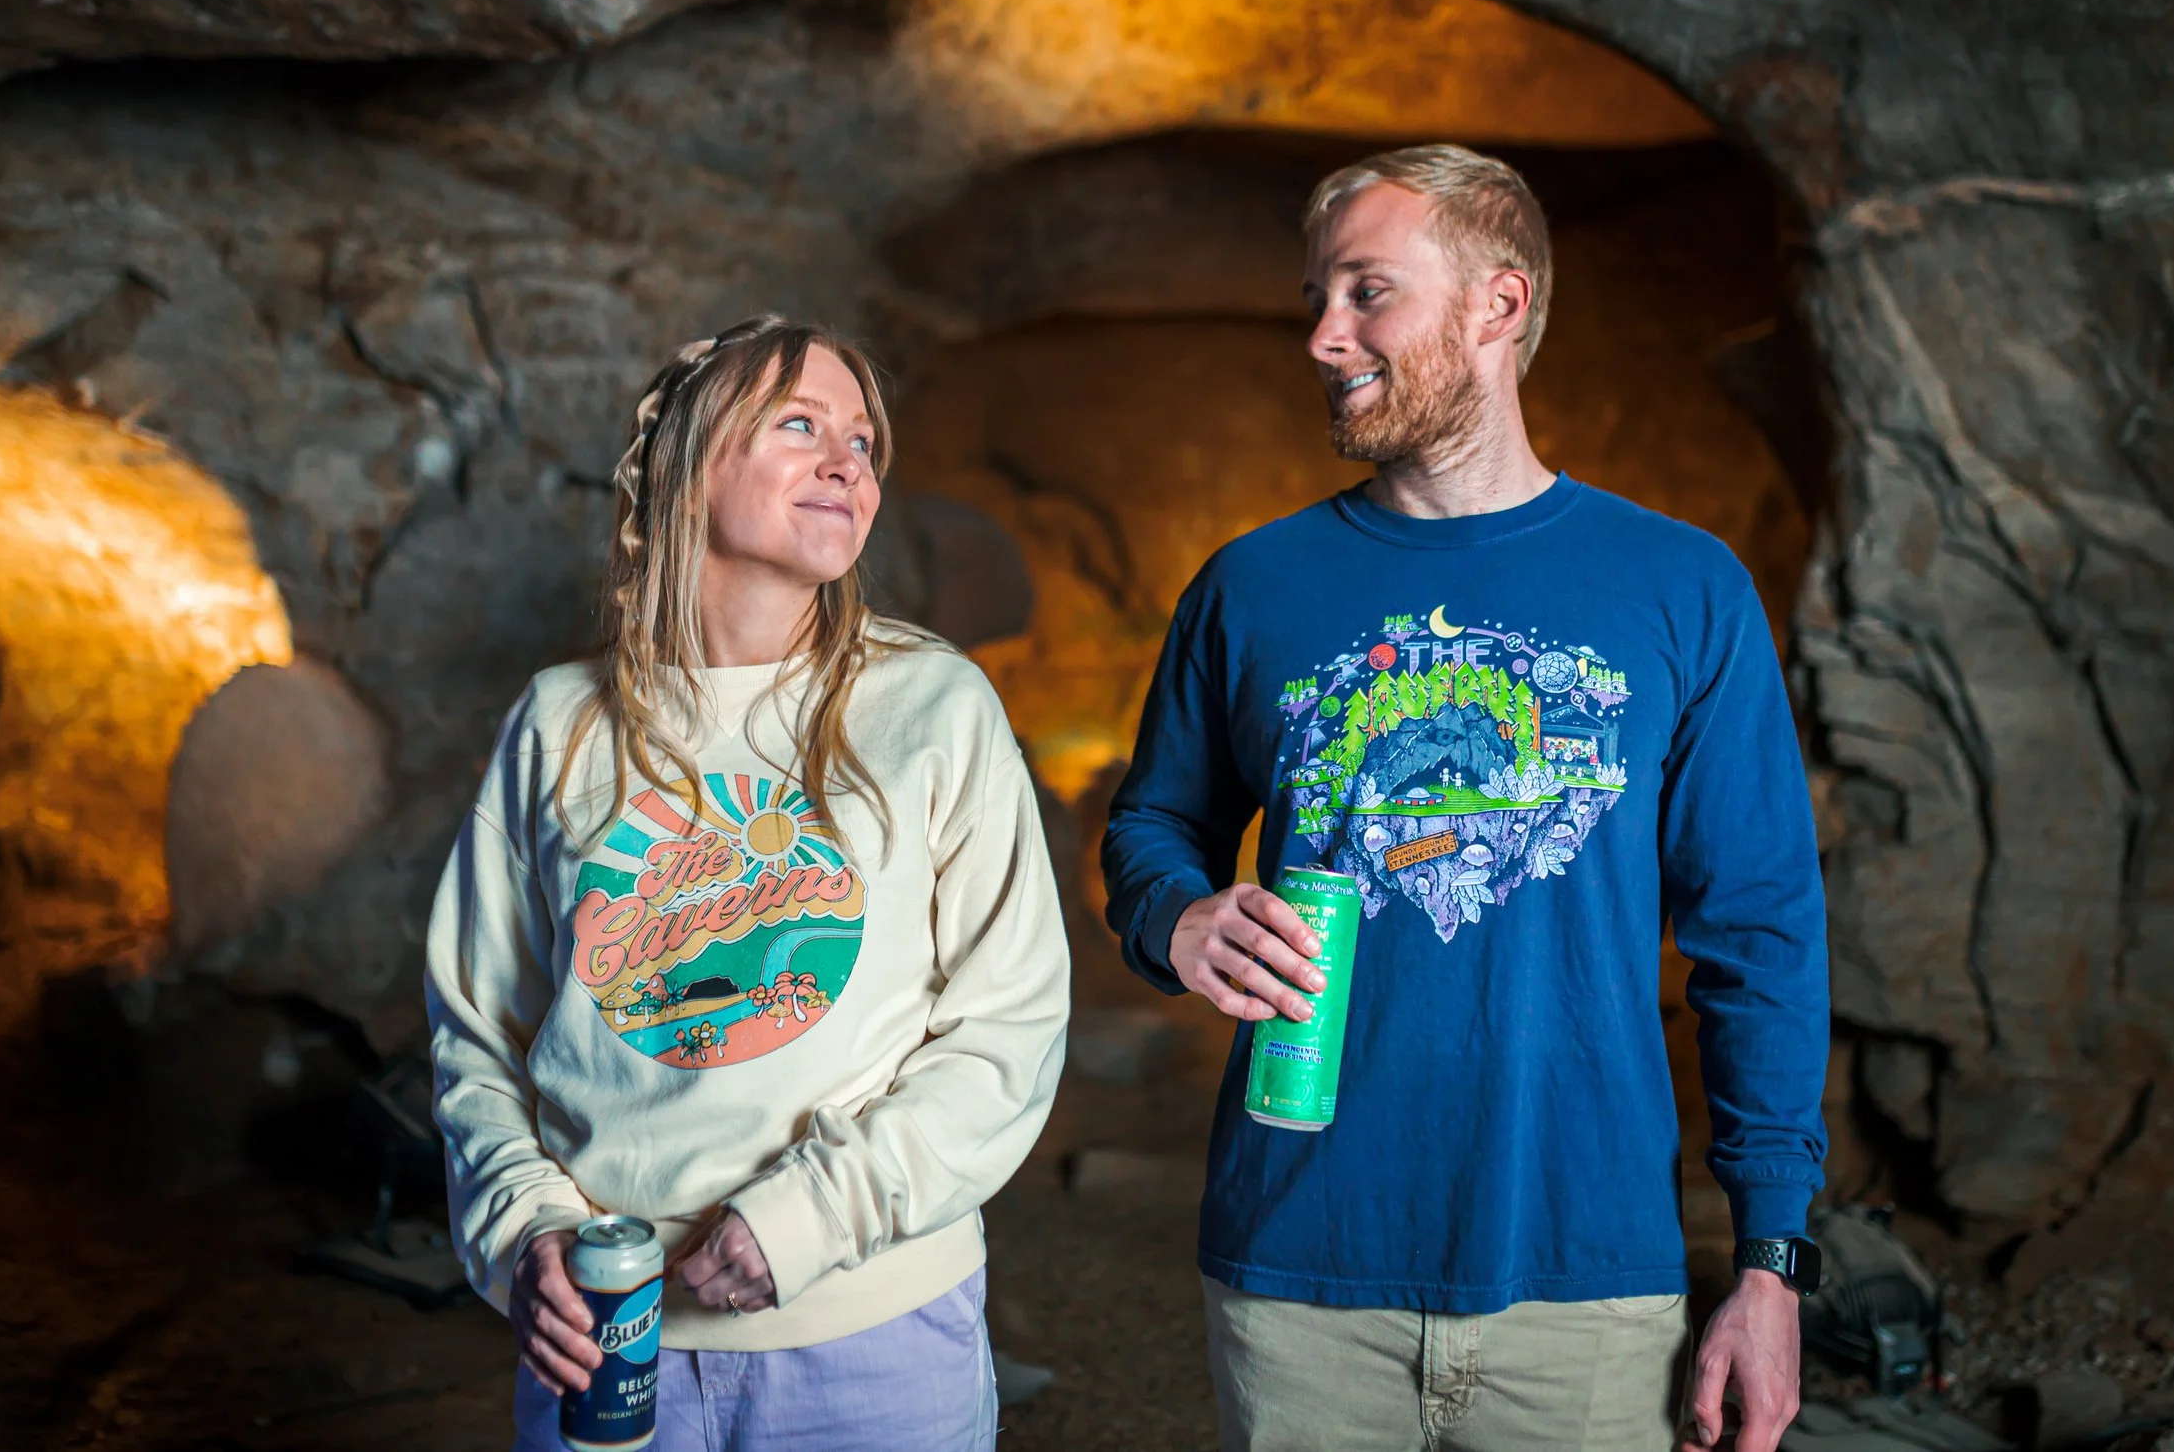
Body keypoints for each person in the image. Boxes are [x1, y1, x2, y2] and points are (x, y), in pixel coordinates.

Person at [1102, 147, 1830, 1452]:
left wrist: (1771, 1262)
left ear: (1498, 304)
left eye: (1367, 292)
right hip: (1298, 1266)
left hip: (1590, 1281)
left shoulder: (1682, 586)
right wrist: (1175, 918)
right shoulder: (1251, 585)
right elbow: (1153, 824)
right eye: (1318, 299)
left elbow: (1760, 931)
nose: (1325, 336)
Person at [426, 314, 1069, 1452]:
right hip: (611, 1338)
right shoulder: (559, 724)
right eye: (800, 423)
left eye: (864, 440)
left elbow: (1009, 1030)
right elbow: (478, 1032)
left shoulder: (932, 704)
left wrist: (809, 1215)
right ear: (687, 461)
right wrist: (524, 1227)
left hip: (870, 1339)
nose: (847, 462)